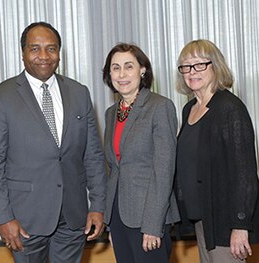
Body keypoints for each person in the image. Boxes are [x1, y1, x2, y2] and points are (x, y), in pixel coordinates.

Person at [0, 22, 106, 263]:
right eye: (35, 49)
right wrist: (4, 217)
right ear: (23, 53)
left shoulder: (79, 93)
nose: (43, 56)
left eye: (51, 49)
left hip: (73, 216)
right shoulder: (1, 97)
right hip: (24, 220)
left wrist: (98, 205)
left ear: (59, 53)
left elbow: (93, 155)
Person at [175, 39, 259, 262]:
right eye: (186, 66)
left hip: (226, 223)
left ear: (216, 66)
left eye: (200, 64)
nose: (192, 71)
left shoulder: (229, 108)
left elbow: (245, 173)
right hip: (203, 220)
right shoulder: (188, 110)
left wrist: (240, 226)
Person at [102, 43, 180, 263]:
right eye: (115, 68)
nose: (122, 74)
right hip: (119, 217)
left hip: (148, 219)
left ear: (142, 70)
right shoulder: (111, 113)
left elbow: (163, 171)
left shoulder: (159, 107)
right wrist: (111, 222)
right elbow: (114, 169)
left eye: (129, 66)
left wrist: (153, 226)